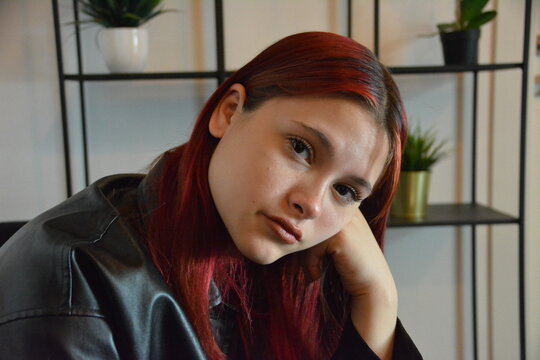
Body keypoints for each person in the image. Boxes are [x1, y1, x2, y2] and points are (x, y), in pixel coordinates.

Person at [0, 32, 422, 359]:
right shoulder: (74, 283)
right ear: (229, 112)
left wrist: (379, 302)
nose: (311, 204)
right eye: (300, 148)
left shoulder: (289, 271)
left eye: (345, 191)